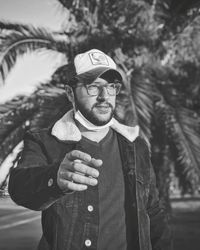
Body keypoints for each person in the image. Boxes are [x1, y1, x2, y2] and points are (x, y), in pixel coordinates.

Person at [8, 49, 171, 250]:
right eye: (93, 86)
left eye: (111, 87)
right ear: (70, 93)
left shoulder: (136, 145)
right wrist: (55, 179)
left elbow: (152, 211)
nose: (104, 96)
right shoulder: (44, 141)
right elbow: (19, 187)